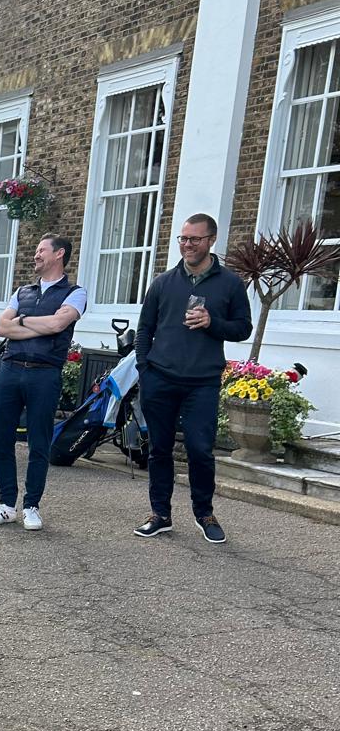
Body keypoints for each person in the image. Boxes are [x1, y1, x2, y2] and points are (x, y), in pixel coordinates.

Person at [134, 214, 252, 544]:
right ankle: (160, 514)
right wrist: (145, 371)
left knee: (200, 450)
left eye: (195, 239)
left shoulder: (230, 284)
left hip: (202, 382)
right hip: (160, 378)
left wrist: (213, 323)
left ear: (211, 240)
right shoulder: (163, 283)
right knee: (159, 450)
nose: (187, 245)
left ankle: (205, 514)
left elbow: (243, 329)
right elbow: (144, 330)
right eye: (183, 239)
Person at [0, 235, 86, 532]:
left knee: (39, 442)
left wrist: (22, 321)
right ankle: (6, 505)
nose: (36, 255)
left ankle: (31, 506)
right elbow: (2, 328)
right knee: (2, 439)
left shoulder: (75, 293)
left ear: (59, 254)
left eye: (41, 250)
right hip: (10, 370)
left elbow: (58, 324)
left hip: (44, 374)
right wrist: (39, 325)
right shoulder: (22, 291)